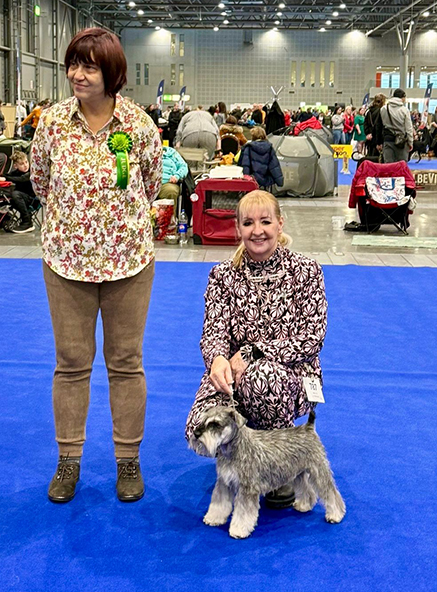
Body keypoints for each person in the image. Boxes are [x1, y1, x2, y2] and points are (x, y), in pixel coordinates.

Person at [30, 28, 162, 504]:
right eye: (74, 64)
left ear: (112, 73)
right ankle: (68, 461)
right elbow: (40, 182)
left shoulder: (139, 125)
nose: (77, 74)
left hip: (129, 263)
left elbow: (150, 186)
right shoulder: (52, 123)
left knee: (126, 364)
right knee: (70, 365)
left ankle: (128, 460)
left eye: (89, 66)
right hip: (66, 263)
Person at [185, 190, 327, 508]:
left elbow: (312, 338)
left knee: (262, 377)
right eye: (248, 223)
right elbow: (214, 331)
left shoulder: (306, 271)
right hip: (234, 375)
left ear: (280, 224)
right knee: (197, 430)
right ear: (238, 228)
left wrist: (253, 352)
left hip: (292, 374)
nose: (257, 230)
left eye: (265, 221)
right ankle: (242, 458)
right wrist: (217, 360)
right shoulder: (222, 275)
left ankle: (280, 464)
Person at [0, 151, 39, 234]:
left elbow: (21, 179)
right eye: (21, 164)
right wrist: (3, 177)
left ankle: (27, 222)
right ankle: (4, 218)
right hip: (22, 199)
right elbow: (7, 175)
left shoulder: (31, 172)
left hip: (33, 200)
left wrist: (5, 178)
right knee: (5, 195)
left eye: (26, 162)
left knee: (15, 193)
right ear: (15, 166)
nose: (25, 165)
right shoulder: (16, 173)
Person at [377, 88, 414, 163]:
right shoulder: (404, 110)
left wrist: (378, 142)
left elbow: (379, 126)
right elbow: (409, 129)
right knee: (401, 165)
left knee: (388, 165)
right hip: (401, 142)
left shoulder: (383, 109)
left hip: (387, 140)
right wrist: (410, 142)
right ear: (402, 98)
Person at [156, 145, 188, 210]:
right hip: (147, 184)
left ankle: (169, 216)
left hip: (167, 183)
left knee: (171, 191)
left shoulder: (171, 152)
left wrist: (177, 176)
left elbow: (183, 166)